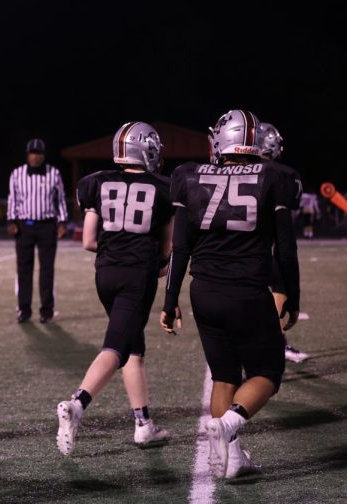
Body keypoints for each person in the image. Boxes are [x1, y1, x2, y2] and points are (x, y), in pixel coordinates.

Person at [161, 110, 300, 479]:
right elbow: (285, 250)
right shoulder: (272, 176)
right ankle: (228, 425)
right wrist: (293, 296)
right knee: (267, 372)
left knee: (224, 376)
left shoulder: (189, 176)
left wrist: (169, 298)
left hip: (203, 290)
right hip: (247, 292)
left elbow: (180, 247)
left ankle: (229, 459)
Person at [57, 122, 173, 455]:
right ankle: (76, 405)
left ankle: (143, 424)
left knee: (132, 349)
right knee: (117, 348)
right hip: (137, 275)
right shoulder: (163, 188)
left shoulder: (96, 182)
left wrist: (117, 248)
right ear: (146, 150)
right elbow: (166, 251)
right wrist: (157, 263)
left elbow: (89, 241)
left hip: (105, 273)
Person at [256, 122, 309, 363]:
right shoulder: (284, 174)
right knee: (280, 286)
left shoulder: (231, 169)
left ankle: (269, 345)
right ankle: (274, 343)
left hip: (232, 248)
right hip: (266, 246)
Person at [7, 138, 68, 323]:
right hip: (24, 226)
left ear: (43, 155)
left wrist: (62, 222)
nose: (35, 157)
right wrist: (11, 220)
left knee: (47, 270)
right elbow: (13, 199)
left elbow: (61, 199)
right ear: (28, 155)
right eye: (32, 153)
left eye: (38, 153)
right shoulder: (17, 174)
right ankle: (24, 310)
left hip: (47, 226)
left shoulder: (54, 173)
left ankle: (46, 311)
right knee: (24, 269)